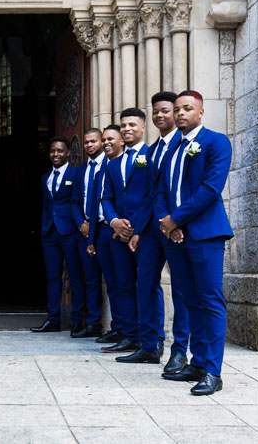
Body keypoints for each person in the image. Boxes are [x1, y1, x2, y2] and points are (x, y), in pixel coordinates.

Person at [157, 90, 232, 396]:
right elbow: (160, 188)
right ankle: (197, 362)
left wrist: (177, 219)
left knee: (210, 300)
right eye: (177, 109)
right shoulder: (173, 146)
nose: (180, 114)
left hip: (205, 234)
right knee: (189, 299)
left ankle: (213, 371)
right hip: (175, 237)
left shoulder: (216, 142)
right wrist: (167, 221)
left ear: (200, 112)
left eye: (187, 109)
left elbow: (210, 188)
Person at [121, 92, 190, 369]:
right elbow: (148, 193)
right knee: (145, 284)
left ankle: (179, 350)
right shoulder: (151, 150)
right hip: (150, 229)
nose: (160, 116)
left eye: (165, 111)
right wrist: (137, 229)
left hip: (176, 227)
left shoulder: (185, 145)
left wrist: (175, 222)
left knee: (181, 288)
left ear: (174, 113)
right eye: (156, 112)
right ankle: (149, 345)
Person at [100, 108, 149, 354]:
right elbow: (106, 198)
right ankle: (129, 336)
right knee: (124, 284)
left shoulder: (152, 156)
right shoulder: (113, 164)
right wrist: (114, 222)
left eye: (132, 124)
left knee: (148, 285)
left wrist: (136, 228)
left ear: (142, 127)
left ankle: (150, 339)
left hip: (144, 233)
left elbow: (153, 194)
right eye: (123, 126)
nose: (127, 129)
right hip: (118, 234)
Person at [31, 137, 82, 334]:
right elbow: (47, 205)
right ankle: (53, 319)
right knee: (52, 277)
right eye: (53, 151)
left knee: (75, 276)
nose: (56, 154)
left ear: (68, 153)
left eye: (60, 151)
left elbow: (77, 201)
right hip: (50, 233)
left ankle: (78, 321)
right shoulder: (45, 178)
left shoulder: (76, 173)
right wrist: (44, 228)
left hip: (70, 232)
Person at [87, 125, 125, 343]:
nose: (107, 143)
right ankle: (117, 326)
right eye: (105, 139)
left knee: (124, 281)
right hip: (101, 230)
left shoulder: (124, 166)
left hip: (118, 229)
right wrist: (91, 239)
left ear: (121, 142)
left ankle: (128, 329)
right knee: (111, 281)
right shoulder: (100, 172)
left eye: (111, 139)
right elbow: (95, 206)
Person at [70, 128, 105, 337]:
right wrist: (81, 224)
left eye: (93, 141)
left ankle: (120, 327)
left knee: (114, 279)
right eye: (86, 142)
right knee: (89, 278)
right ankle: (92, 324)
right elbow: (74, 201)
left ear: (101, 142)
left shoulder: (110, 166)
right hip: (85, 230)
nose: (89, 145)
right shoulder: (80, 171)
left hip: (105, 228)